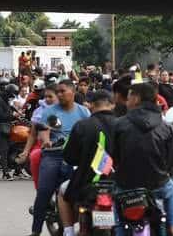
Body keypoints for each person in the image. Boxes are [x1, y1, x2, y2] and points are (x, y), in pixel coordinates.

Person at [112, 83, 173, 236]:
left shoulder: (119, 124)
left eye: (128, 97)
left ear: (136, 99)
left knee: (117, 216)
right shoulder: (166, 126)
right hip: (158, 184)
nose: (126, 101)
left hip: (126, 186)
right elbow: (170, 162)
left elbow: (114, 157)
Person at [29, 80, 90, 236]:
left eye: (63, 91)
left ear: (73, 92)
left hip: (77, 159)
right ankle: (35, 231)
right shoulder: (50, 111)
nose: (60, 94)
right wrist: (47, 141)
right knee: (43, 192)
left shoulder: (84, 112)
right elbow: (43, 131)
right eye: (58, 92)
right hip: (54, 155)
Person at [61, 90, 116, 236]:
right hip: (117, 185)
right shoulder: (123, 125)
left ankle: (69, 231)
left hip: (87, 184)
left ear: (91, 105)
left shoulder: (82, 125)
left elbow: (69, 157)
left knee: (62, 191)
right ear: (112, 104)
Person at [0, 78, 18, 180]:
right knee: (4, 149)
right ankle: (5, 173)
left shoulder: (5, 100)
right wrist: (12, 116)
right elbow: (1, 116)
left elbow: (10, 110)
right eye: (12, 95)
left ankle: (17, 170)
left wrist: (18, 113)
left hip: (6, 128)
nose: (12, 97)